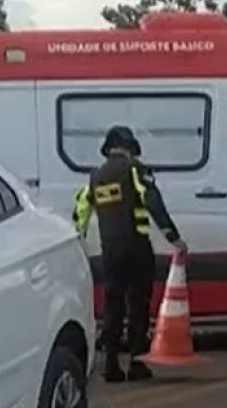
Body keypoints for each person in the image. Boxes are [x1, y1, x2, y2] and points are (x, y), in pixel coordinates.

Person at [73, 125, 188, 383]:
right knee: (138, 305)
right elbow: (152, 200)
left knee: (112, 307)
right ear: (128, 148)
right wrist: (173, 236)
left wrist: (77, 241)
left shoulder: (95, 177)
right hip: (136, 248)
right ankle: (137, 363)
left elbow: (80, 212)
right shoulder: (135, 170)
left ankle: (110, 365)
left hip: (110, 251)